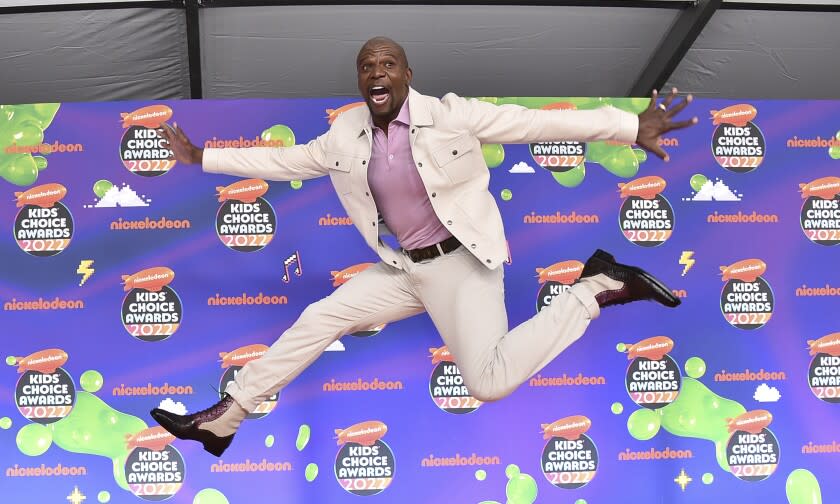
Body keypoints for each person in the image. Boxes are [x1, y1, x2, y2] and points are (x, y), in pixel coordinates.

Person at [151, 36, 697, 456]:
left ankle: (596, 287)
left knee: (487, 382)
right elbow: (285, 160)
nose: (377, 72)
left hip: (463, 265)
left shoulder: (450, 115)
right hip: (404, 270)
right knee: (321, 316)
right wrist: (202, 157)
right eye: (367, 66)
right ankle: (230, 413)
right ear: (360, 81)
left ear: (407, 75)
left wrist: (628, 127)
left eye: (388, 63)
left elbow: (532, 122)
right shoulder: (345, 132)